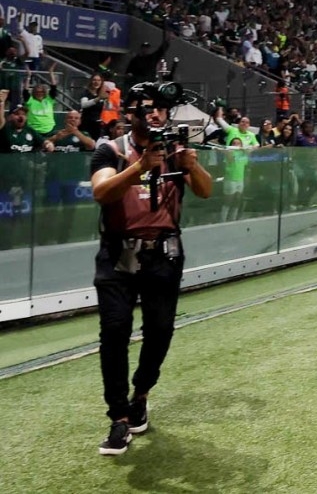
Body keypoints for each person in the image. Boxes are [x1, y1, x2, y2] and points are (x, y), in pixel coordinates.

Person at [89, 82, 213, 456]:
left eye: (161, 108)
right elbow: (101, 192)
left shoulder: (177, 153)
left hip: (164, 255)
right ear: (130, 114)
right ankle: (118, 417)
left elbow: (205, 191)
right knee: (114, 331)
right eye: (147, 108)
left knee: (160, 330)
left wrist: (193, 165)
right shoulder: (110, 150)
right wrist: (140, 168)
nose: (155, 114)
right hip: (117, 254)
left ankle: (141, 393)